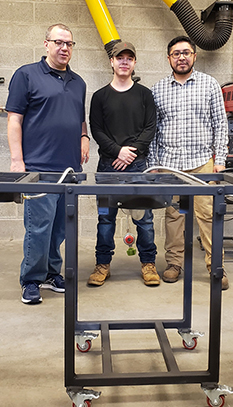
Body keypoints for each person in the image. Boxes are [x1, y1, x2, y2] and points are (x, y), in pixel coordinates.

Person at [6, 23, 89, 304]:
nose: (64, 48)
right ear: (46, 44)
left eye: (69, 44)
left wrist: (84, 136)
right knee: (38, 227)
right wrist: (17, 161)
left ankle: (53, 273)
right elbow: (14, 119)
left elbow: (79, 117)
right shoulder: (26, 75)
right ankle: (31, 280)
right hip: (39, 168)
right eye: (59, 42)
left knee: (60, 228)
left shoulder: (78, 82)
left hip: (70, 170)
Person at [148, 35, 230, 290]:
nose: (181, 57)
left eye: (186, 52)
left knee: (207, 215)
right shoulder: (158, 89)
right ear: (169, 58)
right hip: (170, 164)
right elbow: (153, 130)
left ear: (194, 56)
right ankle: (174, 264)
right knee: (174, 217)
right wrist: (154, 163)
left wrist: (221, 160)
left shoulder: (209, 85)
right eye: (176, 53)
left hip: (202, 162)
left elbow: (220, 124)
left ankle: (215, 266)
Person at [87, 41, 160, 287]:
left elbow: (150, 127)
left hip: (139, 167)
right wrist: (118, 151)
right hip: (109, 168)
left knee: (145, 220)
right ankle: (102, 264)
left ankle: (148, 264)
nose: (124, 61)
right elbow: (97, 130)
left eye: (129, 58)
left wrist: (132, 152)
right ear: (112, 61)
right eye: (120, 58)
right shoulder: (99, 97)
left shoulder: (145, 95)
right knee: (105, 219)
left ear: (134, 63)